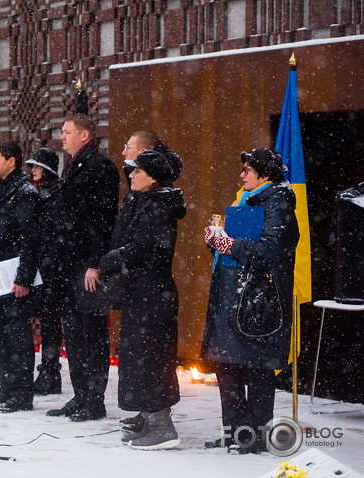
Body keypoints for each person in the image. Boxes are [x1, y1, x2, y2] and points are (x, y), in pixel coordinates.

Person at [201, 148, 299, 454]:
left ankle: (254, 436)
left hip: (260, 301)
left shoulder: (279, 203)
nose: (242, 175)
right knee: (226, 365)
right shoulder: (246, 198)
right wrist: (216, 243)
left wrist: (231, 245)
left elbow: (269, 252)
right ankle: (234, 433)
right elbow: (239, 249)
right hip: (235, 295)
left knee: (257, 368)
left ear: (264, 175)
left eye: (247, 170)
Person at [99, 149, 186, 450]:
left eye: (137, 171)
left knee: (152, 358)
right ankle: (150, 419)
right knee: (140, 357)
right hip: (144, 293)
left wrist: (109, 259)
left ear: (152, 177)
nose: (131, 175)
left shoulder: (158, 207)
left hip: (153, 295)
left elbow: (141, 249)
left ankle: (163, 427)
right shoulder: (149, 201)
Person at [46, 114, 120, 422]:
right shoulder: (72, 165)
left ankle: (94, 400)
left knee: (92, 333)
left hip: (86, 266)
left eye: (67, 132)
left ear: (85, 135)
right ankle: (80, 396)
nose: (62, 137)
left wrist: (94, 263)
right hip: (67, 264)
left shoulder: (100, 167)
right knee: (73, 334)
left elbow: (101, 220)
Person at [0, 141, 41, 413]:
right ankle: (7, 387)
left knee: (18, 335)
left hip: (14, 275)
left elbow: (31, 239)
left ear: (12, 161)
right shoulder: (3, 188)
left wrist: (24, 278)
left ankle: (22, 393)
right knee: (2, 333)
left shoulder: (24, 192)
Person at [25, 148, 63, 395]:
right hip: (43, 266)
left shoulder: (53, 195)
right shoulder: (39, 193)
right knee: (46, 322)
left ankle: (50, 373)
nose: (33, 171)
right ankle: (47, 372)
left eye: (37, 167)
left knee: (50, 323)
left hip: (51, 269)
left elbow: (50, 232)